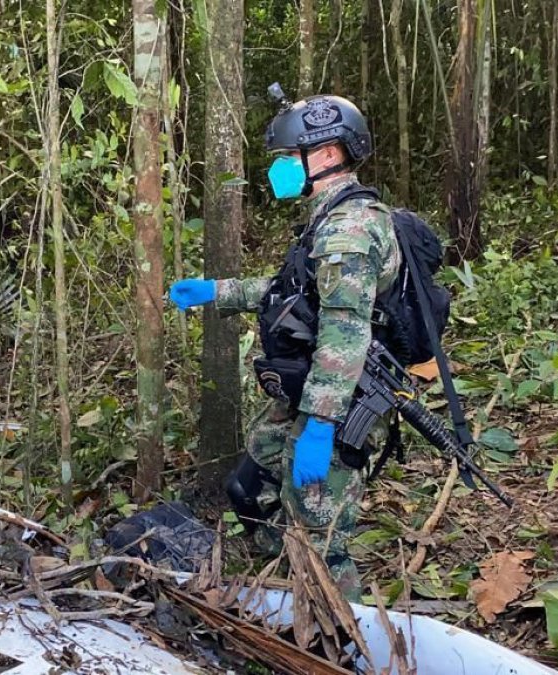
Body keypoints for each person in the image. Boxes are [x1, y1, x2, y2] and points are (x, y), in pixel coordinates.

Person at [169, 93, 398, 601]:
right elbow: (291, 295)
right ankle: (287, 585)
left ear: (327, 155)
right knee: (247, 487)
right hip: (307, 390)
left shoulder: (350, 230)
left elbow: (345, 332)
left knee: (322, 539)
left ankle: (340, 635)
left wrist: (319, 426)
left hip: (341, 401)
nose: (278, 169)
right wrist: (217, 291)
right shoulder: (328, 218)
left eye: (286, 158)